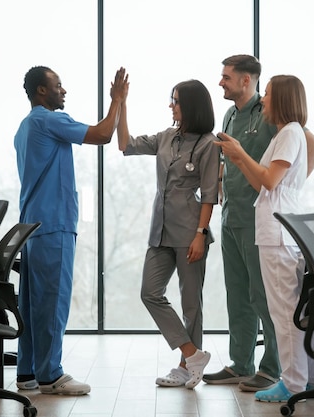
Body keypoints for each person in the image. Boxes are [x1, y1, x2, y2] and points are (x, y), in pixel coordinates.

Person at [203, 55, 314, 392]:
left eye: (226, 77)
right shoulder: (229, 114)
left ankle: (272, 369)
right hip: (236, 216)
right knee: (238, 294)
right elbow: (235, 160)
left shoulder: (275, 118)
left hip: (266, 221)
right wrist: (228, 176)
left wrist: (289, 187)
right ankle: (241, 363)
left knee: (266, 297)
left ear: (247, 80)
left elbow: (313, 149)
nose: (221, 82)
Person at [14, 65, 129, 395]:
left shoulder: (25, 127)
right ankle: (50, 374)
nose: (63, 91)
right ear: (41, 91)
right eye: (58, 85)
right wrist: (117, 100)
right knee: (53, 302)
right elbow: (103, 134)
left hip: (32, 226)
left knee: (32, 305)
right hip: (54, 224)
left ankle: (27, 374)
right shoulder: (50, 120)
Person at [117, 79, 219, 389]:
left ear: (191, 106)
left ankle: (186, 368)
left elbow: (210, 194)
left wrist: (200, 234)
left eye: (175, 100)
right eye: (171, 100)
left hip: (190, 232)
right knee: (150, 292)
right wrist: (121, 103)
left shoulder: (208, 144)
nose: (171, 105)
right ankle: (192, 354)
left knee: (191, 305)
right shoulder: (166, 137)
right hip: (159, 231)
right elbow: (126, 145)